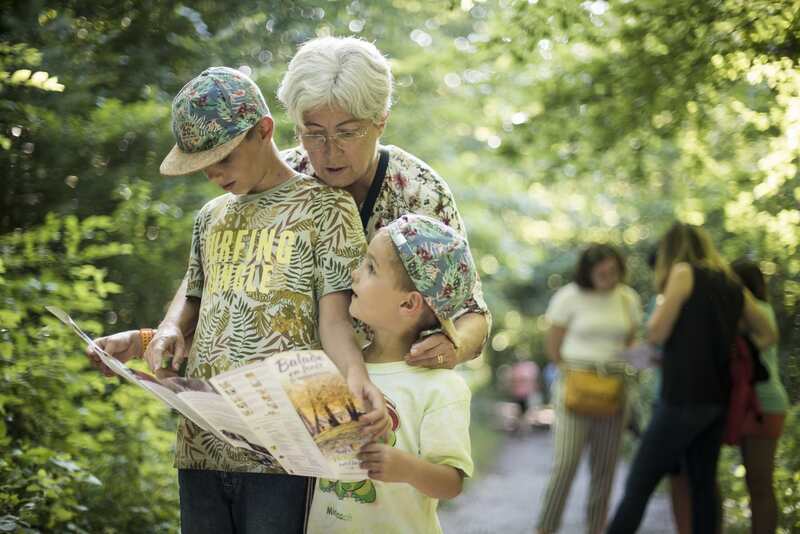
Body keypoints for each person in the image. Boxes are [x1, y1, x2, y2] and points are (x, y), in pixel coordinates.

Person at [87, 66, 388, 533]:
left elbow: (335, 322)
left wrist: (355, 375)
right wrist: (163, 330)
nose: (213, 173)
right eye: (202, 164)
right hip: (200, 444)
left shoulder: (325, 207)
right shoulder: (211, 217)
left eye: (223, 158)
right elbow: (192, 297)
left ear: (264, 131)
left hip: (285, 448)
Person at [276, 35, 491, 369]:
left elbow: (473, 314)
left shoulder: (421, 193)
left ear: (381, 121)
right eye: (314, 133)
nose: (330, 152)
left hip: (387, 389)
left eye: (347, 132)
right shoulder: (281, 179)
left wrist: (453, 346)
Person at [307, 214, 475, 533]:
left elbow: (451, 483)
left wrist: (406, 468)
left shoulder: (442, 387)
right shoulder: (341, 365)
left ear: (408, 305)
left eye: (370, 267)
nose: (354, 274)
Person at [607, 223, 777, 534]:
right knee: (703, 487)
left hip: (681, 398)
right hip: (717, 400)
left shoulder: (684, 272)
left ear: (671, 250)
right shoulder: (729, 281)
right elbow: (768, 332)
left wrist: (656, 335)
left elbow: (657, 331)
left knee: (639, 483)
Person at [536, 244, 642, 534]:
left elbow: (631, 343)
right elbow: (553, 347)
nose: (609, 276)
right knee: (565, 465)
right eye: (602, 271)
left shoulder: (627, 298)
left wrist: (644, 361)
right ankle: (545, 529)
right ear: (588, 271)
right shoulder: (568, 297)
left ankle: (596, 529)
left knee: (605, 471)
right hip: (576, 386)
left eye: (613, 270)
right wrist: (574, 374)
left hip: (614, 389)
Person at [729, 259, 788, 533]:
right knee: (759, 483)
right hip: (744, 405)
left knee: (760, 483)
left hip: (763, 404)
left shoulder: (757, 312)